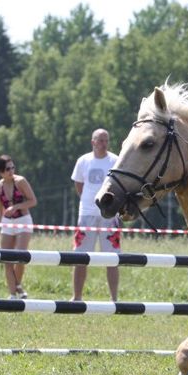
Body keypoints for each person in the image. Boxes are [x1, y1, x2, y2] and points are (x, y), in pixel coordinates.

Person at [71, 128, 121, 301]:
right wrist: (89, 202)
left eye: (106, 140)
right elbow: (79, 185)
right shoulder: (83, 161)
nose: (103, 143)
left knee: (112, 258)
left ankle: (114, 298)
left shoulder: (115, 160)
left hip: (110, 215)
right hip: (87, 214)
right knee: (80, 256)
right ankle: (76, 297)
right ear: (93, 142)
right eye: (100, 140)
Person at [0, 155, 38, 299]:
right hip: (7, 223)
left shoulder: (20, 181)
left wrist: (16, 207)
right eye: (7, 169)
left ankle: (18, 286)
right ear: (0, 172)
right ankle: (13, 293)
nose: (11, 171)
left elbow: (33, 201)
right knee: (6, 259)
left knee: (21, 256)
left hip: (23, 220)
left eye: (12, 167)